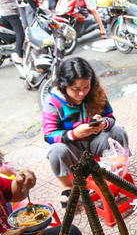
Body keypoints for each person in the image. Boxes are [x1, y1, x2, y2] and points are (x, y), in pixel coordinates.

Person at [42, 57, 129, 208]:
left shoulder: (95, 91)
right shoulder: (52, 101)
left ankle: (117, 171)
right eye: (75, 89)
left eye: (86, 87)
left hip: (95, 140)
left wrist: (103, 123)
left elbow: (110, 117)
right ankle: (67, 187)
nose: (81, 93)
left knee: (118, 131)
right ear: (64, 85)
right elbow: (49, 136)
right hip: (72, 147)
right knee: (55, 150)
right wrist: (73, 134)